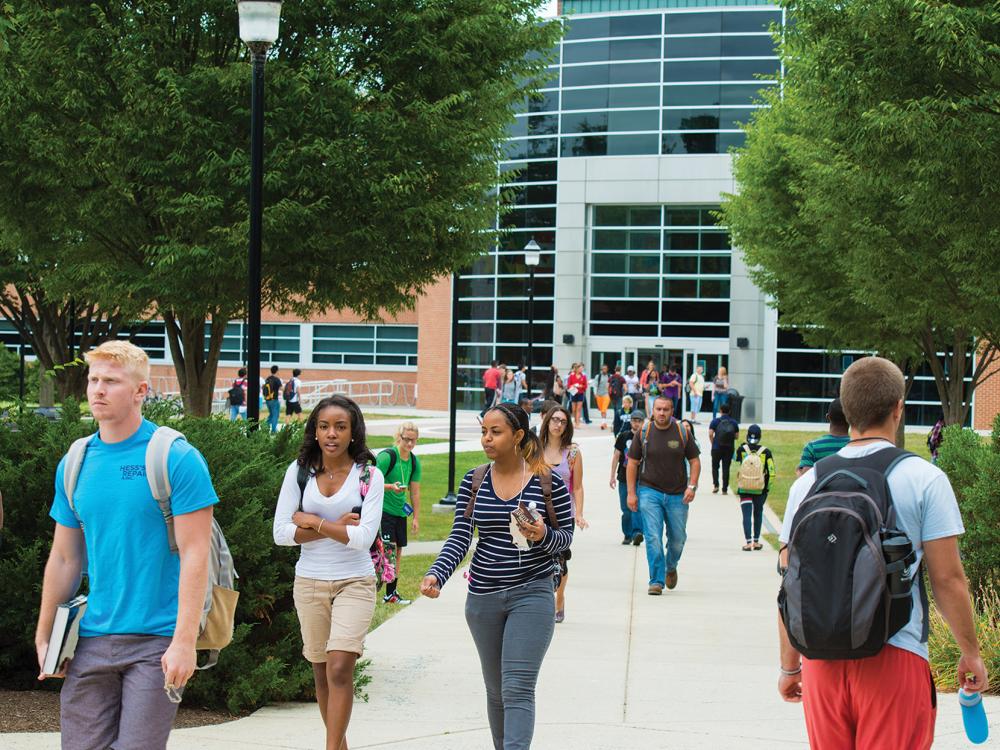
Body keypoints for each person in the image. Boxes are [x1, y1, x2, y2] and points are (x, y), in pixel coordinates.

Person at [778, 356, 989, 749]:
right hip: (896, 653)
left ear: (846, 408)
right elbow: (948, 579)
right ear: (898, 408)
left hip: (821, 662)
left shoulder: (806, 484)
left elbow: (791, 582)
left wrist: (790, 665)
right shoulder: (925, 479)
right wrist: (970, 653)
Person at [37, 341, 217, 750]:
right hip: (92, 638)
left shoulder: (175, 458)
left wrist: (184, 642)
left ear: (140, 391)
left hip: (156, 640)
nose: (98, 389)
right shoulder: (76, 462)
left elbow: (195, 554)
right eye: (93, 379)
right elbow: (65, 557)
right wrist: (45, 633)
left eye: (111, 381)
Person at [421, 402, 574, 750]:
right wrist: (437, 574)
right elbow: (461, 536)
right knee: (496, 691)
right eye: (484, 432)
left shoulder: (546, 481)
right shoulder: (474, 480)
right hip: (483, 599)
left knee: (517, 687)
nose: (487, 439)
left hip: (531, 593)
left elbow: (566, 536)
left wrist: (542, 535)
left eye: (496, 432)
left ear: (518, 436)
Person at [272, 395, 383, 750]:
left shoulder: (369, 475)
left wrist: (314, 521)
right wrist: (334, 526)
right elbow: (280, 534)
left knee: (338, 668)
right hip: (310, 581)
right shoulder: (299, 471)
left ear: (353, 433)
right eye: (324, 426)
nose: (331, 434)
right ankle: (340, 744)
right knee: (321, 670)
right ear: (315, 431)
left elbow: (362, 538)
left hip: (355, 581)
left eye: (340, 427)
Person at [626, 396, 701, 595]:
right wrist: (631, 494)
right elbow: (632, 462)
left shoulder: (682, 432)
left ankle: (671, 566)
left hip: (678, 495)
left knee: (678, 538)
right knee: (653, 537)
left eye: (666, 409)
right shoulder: (644, 432)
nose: (661, 413)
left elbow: (694, 461)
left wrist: (692, 486)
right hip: (650, 492)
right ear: (653, 410)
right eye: (658, 409)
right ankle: (656, 581)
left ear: (671, 410)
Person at [540, 405, 587, 624]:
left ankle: (559, 597)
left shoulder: (573, 452)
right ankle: (540, 599)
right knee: (539, 556)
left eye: (563, 421)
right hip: (537, 511)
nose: (558, 424)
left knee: (560, 558)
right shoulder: (535, 449)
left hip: (563, 513)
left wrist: (579, 513)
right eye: (555, 420)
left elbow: (577, 487)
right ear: (547, 422)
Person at [375, 422, 422, 606]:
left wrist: (416, 517)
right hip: (383, 510)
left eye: (413, 440)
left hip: (400, 512)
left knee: (398, 551)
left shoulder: (414, 461)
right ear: (399, 437)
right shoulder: (388, 456)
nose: (410, 444)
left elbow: (415, 492)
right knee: (388, 550)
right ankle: (377, 587)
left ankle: (391, 593)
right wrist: (390, 487)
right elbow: (369, 481)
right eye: (407, 439)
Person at [734, 425, 774, 551]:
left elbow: (737, 460)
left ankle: (748, 542)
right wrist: (766, 488)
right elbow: (772, 472)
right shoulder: (766, 452)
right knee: (758, 513)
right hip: (759, 489)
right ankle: (756, 542)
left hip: (744, 488)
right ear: (760, 436)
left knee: (746, 515)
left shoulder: (742, 449)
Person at [611, 411, 645, 546]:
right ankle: (627, 534)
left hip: (641, 478)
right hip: (624, 477)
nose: (636, 423)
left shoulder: (646, 437)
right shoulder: (623, 436)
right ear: (630, 421)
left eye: (639, 421)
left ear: (643, 422)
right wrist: (612, 476)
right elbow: (616, 456)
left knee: (637, 507)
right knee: (626, 509)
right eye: (634, 420)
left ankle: (637, 533)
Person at [796, 398, 850, 477]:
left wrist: (799, 473)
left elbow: (806, 479)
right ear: (850, 419)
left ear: (828, 417)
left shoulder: (812, 448)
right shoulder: (857, 446)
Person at [708, 403, 740, 494]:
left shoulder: (715, 421)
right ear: (729, 411)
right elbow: (737, 436)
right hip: (729, 448)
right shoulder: (733, 422)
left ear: (720, 411)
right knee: (726, 468)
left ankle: (716, 485)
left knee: (715, 467)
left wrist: (713, 443)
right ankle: (725, 489)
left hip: (716, 448)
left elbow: (710, 434)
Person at [262, 365, 283, 434]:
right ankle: (273, 430)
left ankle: (265, 427)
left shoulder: (267, 379)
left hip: (267, 399)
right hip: (274, 399)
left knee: (271, 414)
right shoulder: (276, 379)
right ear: (277, 371)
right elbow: (281, 388)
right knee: (275, 415)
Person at [566, 363, 587, 429]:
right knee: (574, 409)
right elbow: (568, 385)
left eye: (582, 368)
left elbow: (585, 386)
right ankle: (575, 421)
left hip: (580, 393)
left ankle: (578, 423)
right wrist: (573, 385)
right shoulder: (571, 376)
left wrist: (581, 386)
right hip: (573, 393)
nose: (581, 369)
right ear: (577, 369)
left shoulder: (583, 376)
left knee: (579, 409)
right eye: (580, 368)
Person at [609, 365, 627, 434]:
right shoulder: (621, 378)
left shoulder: (611, 377)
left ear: (614, 370)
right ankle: (616, 425)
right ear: (620, 370)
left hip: (612, 397)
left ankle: (614, 424)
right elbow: (625, 389)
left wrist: (610, 394)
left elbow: (607, 387)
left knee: (615, 410)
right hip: (619, 396)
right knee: (618, 410)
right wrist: (623, 394)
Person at [593, 363, 611, 430]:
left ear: (607, 369)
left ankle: (603, 424)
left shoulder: (609, 376)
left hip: (606, 395)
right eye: (603, 369)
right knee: (602, 410)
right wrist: (595, 393)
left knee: (604, 409)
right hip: (599, 395)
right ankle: (604, 422)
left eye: (605, 369)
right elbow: (595, 385)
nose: (604, 370)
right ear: (601, 369)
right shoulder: (598, 376)